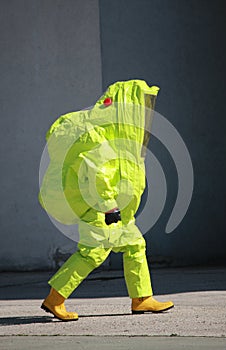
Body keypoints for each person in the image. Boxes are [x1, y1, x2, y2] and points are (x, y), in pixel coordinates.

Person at [39, 79, 174, 321]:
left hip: (117, 210)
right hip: (102, 208)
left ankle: (142, 299)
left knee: (135, 245)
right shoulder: (101, 136)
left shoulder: (121, 139)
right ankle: (54, 300)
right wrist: (109, 206)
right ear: (127, 107)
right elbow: (96, 174)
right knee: (93, 253)